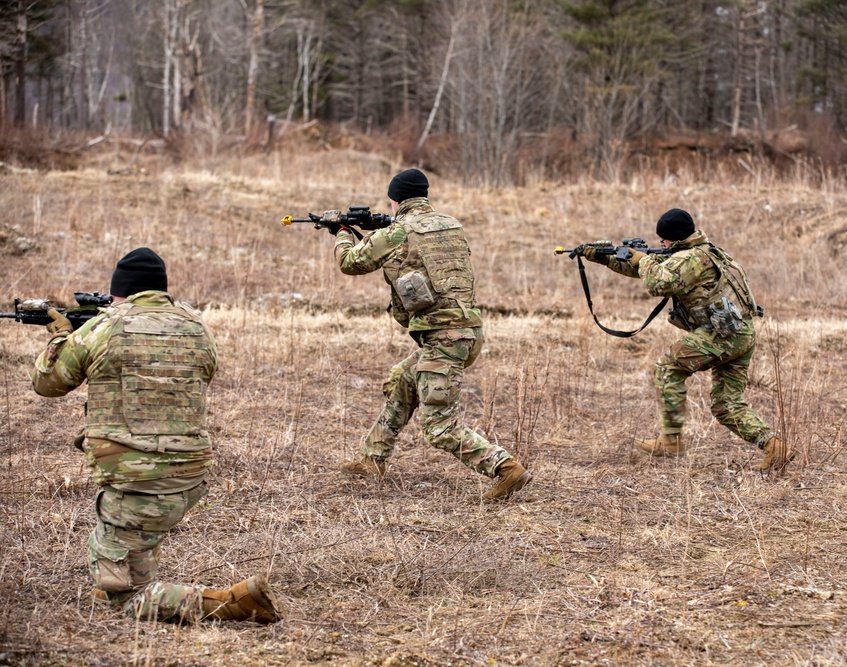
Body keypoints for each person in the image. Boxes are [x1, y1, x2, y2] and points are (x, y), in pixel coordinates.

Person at [30, 247, 281, 624]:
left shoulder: (102, 328)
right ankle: (137, 569)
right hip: (189, 476)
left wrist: (61, 336)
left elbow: (47, 384)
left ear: (119, 292)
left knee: (123, 598)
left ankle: (236, 602)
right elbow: (203, 374)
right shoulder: (197, 327)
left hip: (137, 481)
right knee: (129, 547)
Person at [334, 168, 532, 500]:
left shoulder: (398, 231)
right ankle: (373, 458)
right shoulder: (450, 224)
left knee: (440, 428)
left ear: (395, 199)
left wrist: (342, 233)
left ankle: (506, 469)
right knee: (403, 378)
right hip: (465, 331)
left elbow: (351, 263)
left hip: (445, 338)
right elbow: (424, 253)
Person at [581, 209, 793, 472]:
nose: (660, 244)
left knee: (668, 367)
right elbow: (649, 269)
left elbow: (657, 282)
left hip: (722, 335)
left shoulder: (693, 258)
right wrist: (604, 258)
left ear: (676, 238)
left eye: (664, 239)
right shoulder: (704, 251)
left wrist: (643, 259)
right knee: (726, 405)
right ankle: (774, 448)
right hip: (739, 333)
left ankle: (671, 441)